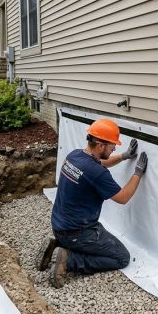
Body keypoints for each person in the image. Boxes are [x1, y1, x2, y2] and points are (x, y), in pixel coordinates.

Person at [38, 118, 149, 288]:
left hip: (59, 226)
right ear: (100, 145)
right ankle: (69, 260)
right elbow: (123, 197)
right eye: (112, 145)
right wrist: (138, 173)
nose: (115, 148)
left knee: (100, 234)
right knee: (121, 257)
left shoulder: (75, 155)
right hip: (77, 233)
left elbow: (100, 163)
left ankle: (57, 244)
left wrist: (125, 156)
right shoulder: (97, 173)